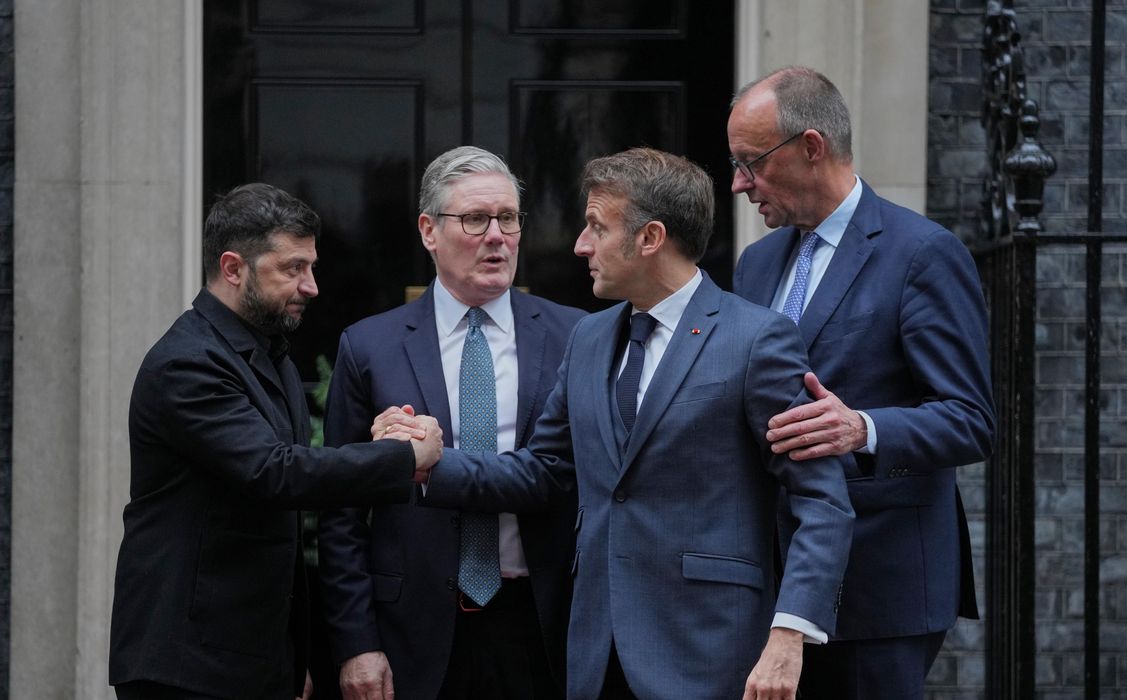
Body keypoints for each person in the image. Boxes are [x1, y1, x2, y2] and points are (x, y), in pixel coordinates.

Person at [398, 147, 854, 700]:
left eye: (596, 227)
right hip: (597, 652)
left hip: (711, 651)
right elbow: (544, 470)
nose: (580, 245)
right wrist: (431, 464)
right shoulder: (589, 338)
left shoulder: (757, 339)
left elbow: (822, 502)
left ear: (650, 238)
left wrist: (790, 632)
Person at [109, 183, 443, 700]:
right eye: (293, 268)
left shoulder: (269, 354)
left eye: (311, 267)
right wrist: (401, 456)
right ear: (233, 268)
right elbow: (276, 473)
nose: (312, 286)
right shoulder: (188, 363)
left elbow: (287, 480)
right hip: (185, 666)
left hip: (247, 659)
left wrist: (287, 657)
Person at [728, 66, 996, 699]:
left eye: (751, 163)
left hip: (880, 586)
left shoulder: (922, 253)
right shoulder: (756, 263)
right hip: (772, 585)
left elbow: (971, 420)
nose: (739, 183)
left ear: (811, 147)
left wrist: (863, 428)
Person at [317, 146, 585, 700]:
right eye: (475, 219)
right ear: (428, 231)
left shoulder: (577, 337)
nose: (497, 237)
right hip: (411, 630)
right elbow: (341, 513)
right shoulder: (369, 346)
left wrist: (429, 465)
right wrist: (356, 643)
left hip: (543, 626)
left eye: (508, 218)